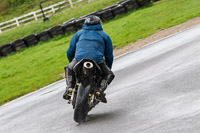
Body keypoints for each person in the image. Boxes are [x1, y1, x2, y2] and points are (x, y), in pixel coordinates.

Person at [63, 15, 115, 103]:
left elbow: (69, 52)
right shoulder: (104, 35)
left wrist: (72, 62)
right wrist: (107, 68)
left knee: (69, 68)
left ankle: (70, 87)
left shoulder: (78, 34)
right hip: (97, 60)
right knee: (109, 74)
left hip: (78, 59)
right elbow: (109, 56)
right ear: (99, 24)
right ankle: (99, 90)